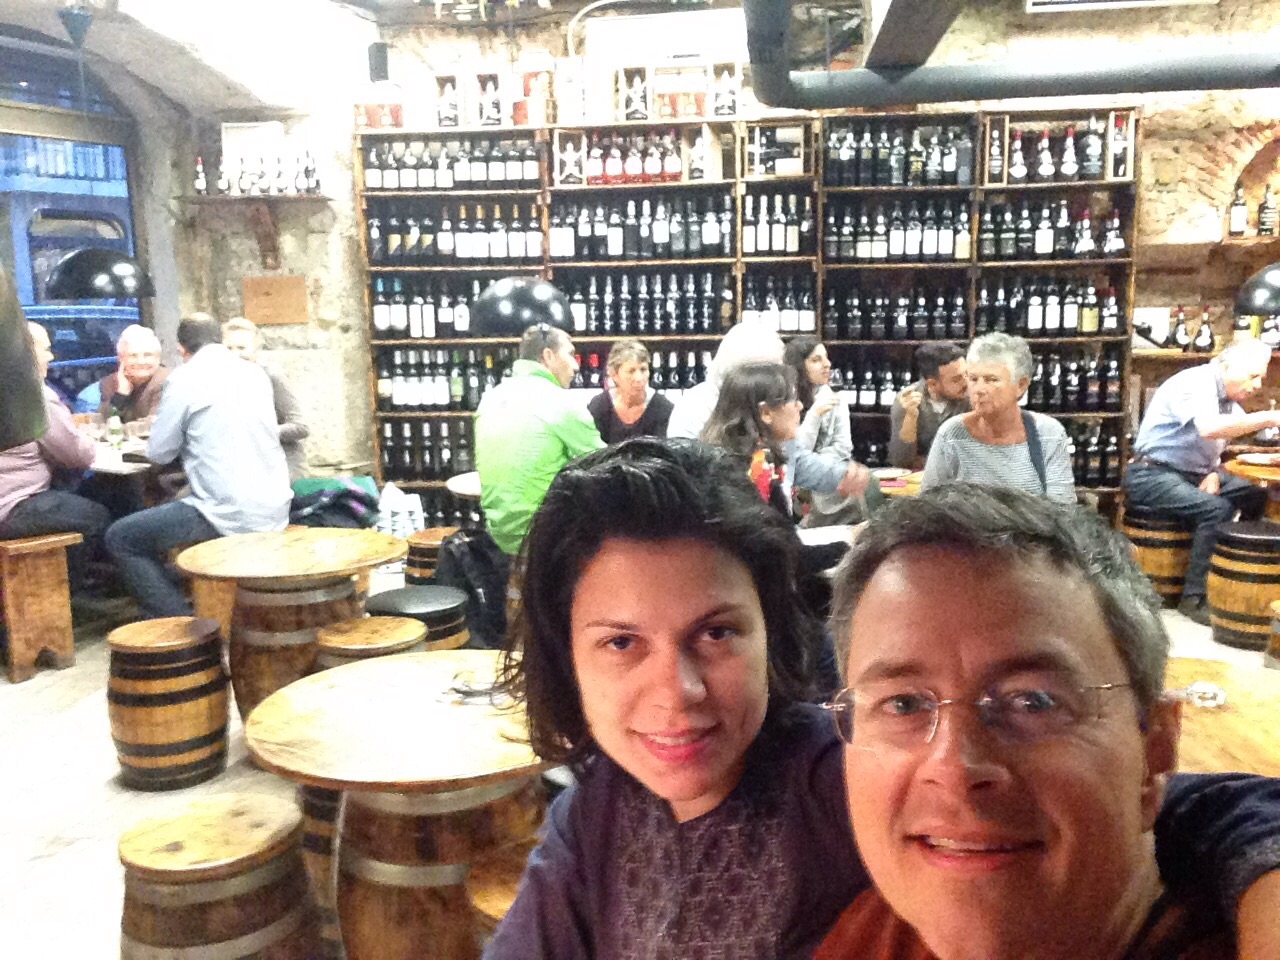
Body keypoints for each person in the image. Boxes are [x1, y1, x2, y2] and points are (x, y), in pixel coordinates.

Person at [485, 438, 1280, 960]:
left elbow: (1189, 802)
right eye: (621, 643)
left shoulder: (844, 773)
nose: (677, 691)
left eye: (717, 633)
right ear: (569, 659)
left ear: (773, 634)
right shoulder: (594, 813)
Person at [818, 484, 1265, 959]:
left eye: (1033, 701)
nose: (952, 769)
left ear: (1155, 750)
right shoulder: (873, 931)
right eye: (904, 704)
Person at [104, 315, 291, 618]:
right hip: (275, 503)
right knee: (163, 526)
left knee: (122, 538)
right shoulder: (255, 373)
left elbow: (160, 452)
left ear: (181, 349)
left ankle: (181, 625)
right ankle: (192, 600)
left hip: (225, 511)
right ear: (219, 339)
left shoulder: (183, 379)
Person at [1124, 338, 1274, 626]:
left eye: (1261, 378)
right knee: (1216, 510)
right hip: (1151, 474)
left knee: (1254, 494)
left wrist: (1214, 471)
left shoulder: (1228, 400)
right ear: (1229, 366)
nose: (1257, 385)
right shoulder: (1195, 383)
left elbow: (1222, 440)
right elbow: (1208, 428)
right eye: (1253, 376)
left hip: (1192, 473)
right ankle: (1193, 598)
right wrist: (1268, 418)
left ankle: (1233, 573)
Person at [474, 321, 603, 557]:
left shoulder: (490, 399)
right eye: (570, 354)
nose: (576, 366)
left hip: (497, 537)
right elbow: (605, 465)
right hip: (546, 539)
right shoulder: (561, 403)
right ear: (548, 356)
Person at [0, 322, 109, 589]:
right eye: (46, 349)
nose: (51, 357)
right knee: (96, 515)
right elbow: (77, 455)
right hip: (12, 506)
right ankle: (63, 593)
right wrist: (91, 441)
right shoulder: (31, 394)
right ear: (25, 352)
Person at [922, 333, 1074, 503]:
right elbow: (928, 506)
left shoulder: (1048, 434)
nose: (978, 389)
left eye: (991, 380)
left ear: (1021, 385)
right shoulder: (951, 435)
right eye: (973, 379)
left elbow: (1062, 510)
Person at [784, 336, 884, 526]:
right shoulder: (785, 401)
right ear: (798, 366)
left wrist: (817, 468)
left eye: (826, 357)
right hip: (793, 482)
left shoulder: (834, 397)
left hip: (824, 480)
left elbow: (842, 447)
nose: (827, 364)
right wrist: (814, 415)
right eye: (816, 360)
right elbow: (793, 454)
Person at [701, 361, 804, 516]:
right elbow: (766, 530)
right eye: (793, 400)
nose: (800, 406)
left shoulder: (714, 453)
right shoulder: (758, 465)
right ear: (766, 412)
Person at [222, 316, 310, 482]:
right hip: (248, 467)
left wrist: (262, 431)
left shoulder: (272, 377)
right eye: (229, 348)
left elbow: (301, 427)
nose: (235, 354)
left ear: (256, 349)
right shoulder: (222, 382)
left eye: (242, 348)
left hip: (284, 468)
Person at [887, 342, 968, 470]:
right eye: (956, 379)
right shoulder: (907, 400)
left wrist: (925, 461)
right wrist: (910, 416)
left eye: (967, 374)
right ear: (932, 384)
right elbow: (900, 461)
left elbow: (976, 456)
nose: (966, 382)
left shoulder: (972, 397)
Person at [586, 339, 673, 443]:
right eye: (631, 371)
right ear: (614, 374)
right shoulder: (599, 406)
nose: (639, 378)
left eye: (643, 369)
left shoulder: (662, 407)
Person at [95, 324, 168, 423]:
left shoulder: (168, 381)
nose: (141, 362)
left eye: (148, 355)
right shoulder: (110, 383)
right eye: (133, 356)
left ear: (158, 358)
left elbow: (157, 424)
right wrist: (121, 394)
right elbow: (102, 421)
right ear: (121, 359)